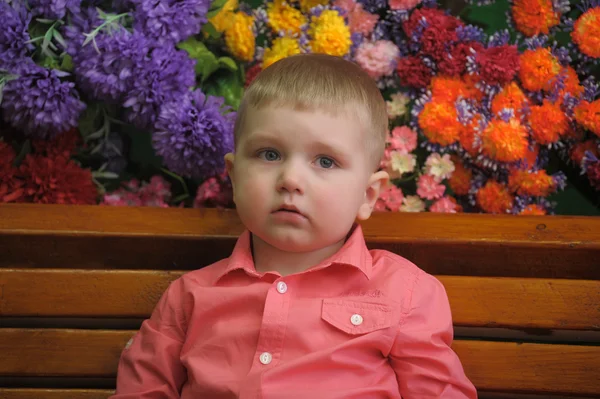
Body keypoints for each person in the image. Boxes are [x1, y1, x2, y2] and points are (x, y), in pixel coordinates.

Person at [110, 53, 477, 398]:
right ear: (235, 178)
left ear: (367, 195)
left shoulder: (404, 293)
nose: (291, 179)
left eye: (326, 161)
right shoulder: (190, 296)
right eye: (269, 154)